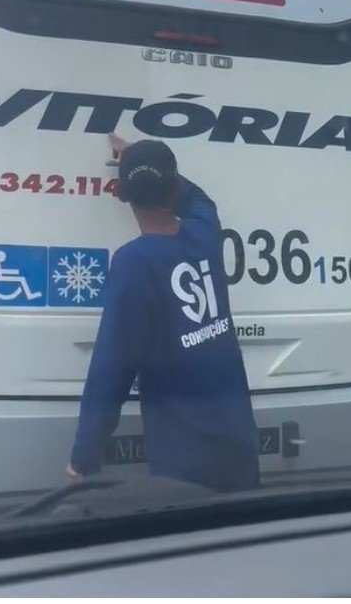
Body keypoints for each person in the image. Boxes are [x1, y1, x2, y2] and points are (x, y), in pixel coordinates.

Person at [68, 136, 259, 492]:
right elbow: (200, 199)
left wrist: (83, 458)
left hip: (183, 464)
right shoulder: (204, 233)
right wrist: (144, 160)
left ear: (122, 195)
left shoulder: (133, 263)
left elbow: (110, 372)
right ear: (174, 186)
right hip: (239, 443)